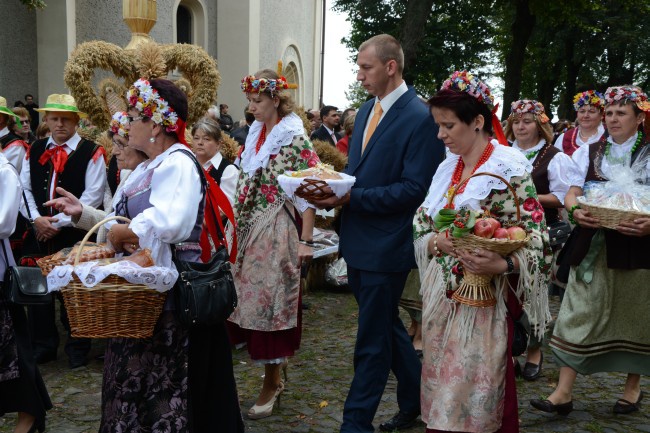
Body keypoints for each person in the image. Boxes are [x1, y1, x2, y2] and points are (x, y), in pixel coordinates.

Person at [311, 34, 445, 433]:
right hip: (358, 239)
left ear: (391, 67)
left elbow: (415, 189)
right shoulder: (368, 108)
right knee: (385, 326)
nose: (359, 75)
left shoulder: (420, 117)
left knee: (371, 340)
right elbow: (359, 175)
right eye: (358, 67)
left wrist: (352, 197)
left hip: (389, 244)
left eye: (365, 67)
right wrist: (330, 188)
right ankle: (416, 398)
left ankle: (356, 423)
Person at [98, 78, 244, 432]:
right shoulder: (148, 166)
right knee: (134, 382)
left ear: (157, 123)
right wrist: (93, 221)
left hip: (172, 300)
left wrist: (127, 233)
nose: (127, 123)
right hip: (146, 292)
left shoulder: (177, 162)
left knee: (165, 388)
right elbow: (122, 219)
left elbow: (172, 222)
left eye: (134, 116)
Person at [415, 71, 551, 433]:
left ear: (478, 122)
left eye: (448, 126)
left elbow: (538, 238)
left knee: (477, 394)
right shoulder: (449, 167)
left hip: (484, 303)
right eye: (438, 125)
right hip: (441, 300)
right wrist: (435, 241)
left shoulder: (509, 169)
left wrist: (503, 261)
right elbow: (420, 223)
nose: (441, 135)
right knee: (442, 391)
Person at [531, 85, 650, 416]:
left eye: (621, 113)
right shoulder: (590, 151)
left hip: (638, 245)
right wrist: (574, 211)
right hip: (594, 243)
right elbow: (572, 193)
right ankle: (563, 393)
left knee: (635, 312)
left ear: (640, 117)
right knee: (577, 309)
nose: (612, 119)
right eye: (609, 113)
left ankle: (632, 388)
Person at [229, 68, 316, 420]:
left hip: (277, 225)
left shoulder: (294, 136)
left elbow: (309, 188)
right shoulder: (254, 133)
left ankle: (272, 379)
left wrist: (306, 241)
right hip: (248, 227)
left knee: (270, 305)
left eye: (257, 100)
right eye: (249, 100)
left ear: (275, 100)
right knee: (241, 302)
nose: (251, 107)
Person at [20, 94, 106, 369]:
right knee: (37, 289)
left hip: (73, 233)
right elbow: (24, 189)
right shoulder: (33, 149)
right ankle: (43, 345)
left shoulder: (91, 152)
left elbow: (91, 198)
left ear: (76, 122)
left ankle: (78, 346)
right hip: (38, 231)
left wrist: (56, 223)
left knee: (74, 291)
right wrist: (36, 220)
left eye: (65, 119)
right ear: (45, 120)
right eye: (54, 119)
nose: (59, 125)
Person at [504, 99, 573, 381]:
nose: (521, 126)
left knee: (534, 292)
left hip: (540, 233)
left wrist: (525, 197)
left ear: (540, 124)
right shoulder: (503, 153)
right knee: (506, 292)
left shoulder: (554, 157)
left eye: (528, 121)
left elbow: (561, 197)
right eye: (516, 122)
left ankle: (534, 350)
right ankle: (509, 350)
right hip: (505, 233)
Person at [0, 152, 52, 433]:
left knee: (15, 349)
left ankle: (30, 415)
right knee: (14, 349)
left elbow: (5, 223)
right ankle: (31, 413)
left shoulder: (5, 171)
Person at [44, 112, 148, 242]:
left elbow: (160, 230)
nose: (114, 151)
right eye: (114, 143)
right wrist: (81, 211)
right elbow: (111, 221)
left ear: (139, 144)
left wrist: (127, 238)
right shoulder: (129, 175)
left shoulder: (157, 174)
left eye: (121, 144)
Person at [191, 117, 238, 206]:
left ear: (218, 144)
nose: (200, 142)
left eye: (206, 139)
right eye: (196, 138)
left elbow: (226, 207)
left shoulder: (228, 170)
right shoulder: (187, 163)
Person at [554, 91, 605, 156]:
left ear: (601, 115)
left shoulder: (610, 136)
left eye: (591, 111)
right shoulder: (564, 138)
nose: (586, 115)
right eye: (582, 111)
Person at [0, 96, 28, 172]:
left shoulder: (15, 145)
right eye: (21, 122)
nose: (25, 125)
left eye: (26, 122)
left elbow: (9, 174)